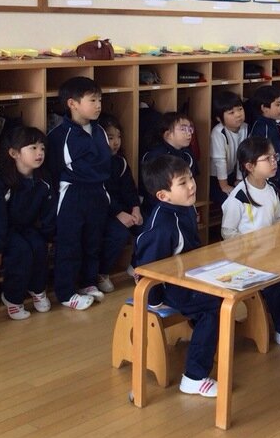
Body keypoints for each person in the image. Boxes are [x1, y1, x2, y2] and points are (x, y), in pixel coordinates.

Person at [134, 156, 221, 397]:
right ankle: (194, 377)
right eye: (183, 183)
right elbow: (147, 269)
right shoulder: (162, 227)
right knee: (213, 307)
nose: (192, 185)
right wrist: (154, 302)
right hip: (166, 288)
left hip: (188, 276)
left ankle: (203, 336)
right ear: (163, 195)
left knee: (225, 292)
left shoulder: (186, 207)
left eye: (190, 178)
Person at [221, 137, 280, 352]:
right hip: (248, 258)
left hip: (270, 252)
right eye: (268, 159)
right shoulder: (239, 196)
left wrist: (277, 247)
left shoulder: (271, 189)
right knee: (273, 281)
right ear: (249, 166)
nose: (274, 162)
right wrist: (251, 247)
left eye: (275, 157)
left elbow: (276, 222)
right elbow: (227, 232)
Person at [46, 76, 111, 309]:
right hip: (72, 195)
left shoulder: (100, 130)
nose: (98, 105)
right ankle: (65, 293)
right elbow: (54, 171)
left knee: (93, 241)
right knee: (69, 244)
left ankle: (88, 282)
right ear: (72, 103)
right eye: (92, 100)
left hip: (97, 193)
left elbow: (106, 163)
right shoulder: (59, 135)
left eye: (100, 100)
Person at [0, 126, 54, 320]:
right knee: (21, 252)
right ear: (14, 153)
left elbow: (49, 210)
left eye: (42, 148)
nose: (39, 153)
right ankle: (12, 298)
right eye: (33, 148)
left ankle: (37, 289)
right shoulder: (2, 179)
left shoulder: (44, 178)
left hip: (29, 227)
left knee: (39, 247)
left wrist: (49, 236)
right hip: (7, 230)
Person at [98, 114, 141, 293]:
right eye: (110, 137)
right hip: (104, 213)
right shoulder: (94, 164)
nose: (115, 142)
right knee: (119, 233)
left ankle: (137, 265)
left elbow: (129, 189)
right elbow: (101, 194)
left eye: (118, 137)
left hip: (123, 210)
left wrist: (136, 209)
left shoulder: (120, 162)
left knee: (149, 225)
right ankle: (101, 273)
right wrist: (118, 213)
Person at [140, 111, 199, 214]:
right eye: (183, 129)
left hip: (182, 203)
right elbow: (151, 190)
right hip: (157, 206)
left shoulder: (188, 154)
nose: (189, 133)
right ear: (167, 134)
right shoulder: (156, 156)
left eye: (190, 129)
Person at [248, 85, 280, 211]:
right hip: (267, 174)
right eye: (277, 104)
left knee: (277, 202)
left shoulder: (276, 123)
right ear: (264, 108)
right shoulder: (261, 127)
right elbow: (259, 153)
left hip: (277, 170)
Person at [209, 90, 247, 207]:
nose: (238, 114)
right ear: (219, 119)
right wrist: (224, 186)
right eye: (231, 112)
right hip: (216, 179)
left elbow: (243, 156)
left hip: (232, 174)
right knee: (232, 202)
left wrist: (239, 179)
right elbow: (219, 161)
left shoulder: (245, 128)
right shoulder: (218, 132)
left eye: (240, 109)